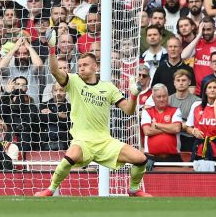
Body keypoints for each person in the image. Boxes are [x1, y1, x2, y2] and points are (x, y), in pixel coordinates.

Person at [34, 30, 151, 197]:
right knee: (70, 157)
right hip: (83, 140)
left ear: (95, 66)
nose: (81, 68)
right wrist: (52, 48)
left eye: (85, 65)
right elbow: (54, 71)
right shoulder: (73, 81)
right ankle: (50, 189)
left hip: (104, 141)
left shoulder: (108, 88)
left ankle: (133, 188)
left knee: (140, 159)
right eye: (80, 65)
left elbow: (129, 110)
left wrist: (133, 95)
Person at [141, 84, 183, 168]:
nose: (162, 99)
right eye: (158, 97)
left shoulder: (175, 110)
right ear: (153, 98)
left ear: (168, 96)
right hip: (151, 158)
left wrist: (157, 125)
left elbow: (177, 128)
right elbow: (147, 131)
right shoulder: (147, 111)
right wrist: (168, 127)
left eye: (164, 96)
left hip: (173, 158)